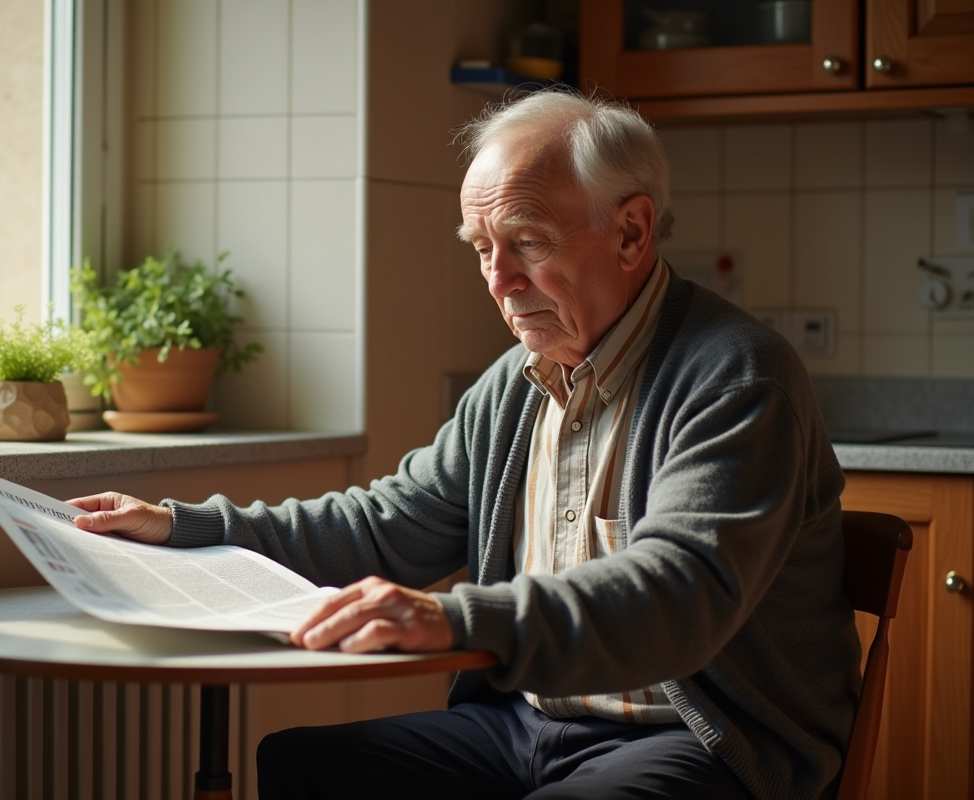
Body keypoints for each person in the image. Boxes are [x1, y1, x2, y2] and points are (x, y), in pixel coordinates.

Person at [69, 90, 858, 800]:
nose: (498, 279)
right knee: (305, 767)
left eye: (528, 241)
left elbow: (677, 595)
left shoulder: (736, 377)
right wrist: (184, 527)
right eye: (482, 247)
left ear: (631, 231)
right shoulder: (516, 383)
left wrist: (451, 619)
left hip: (701, 739)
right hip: (526, 726)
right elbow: (385, 526)